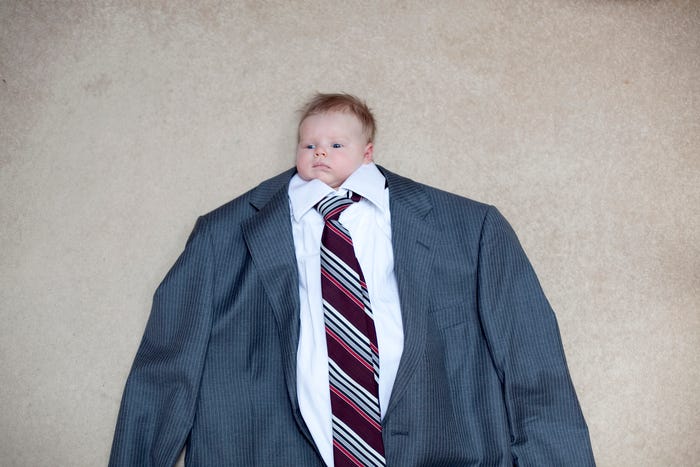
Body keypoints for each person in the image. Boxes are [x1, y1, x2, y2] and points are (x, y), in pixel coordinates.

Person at [110, 93, 595, 466]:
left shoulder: (473, 229)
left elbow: (537, 370)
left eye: (336, 144)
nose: (321, 153)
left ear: (367, 151)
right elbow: (164, 373)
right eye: (310, 144)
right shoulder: (223, 236)